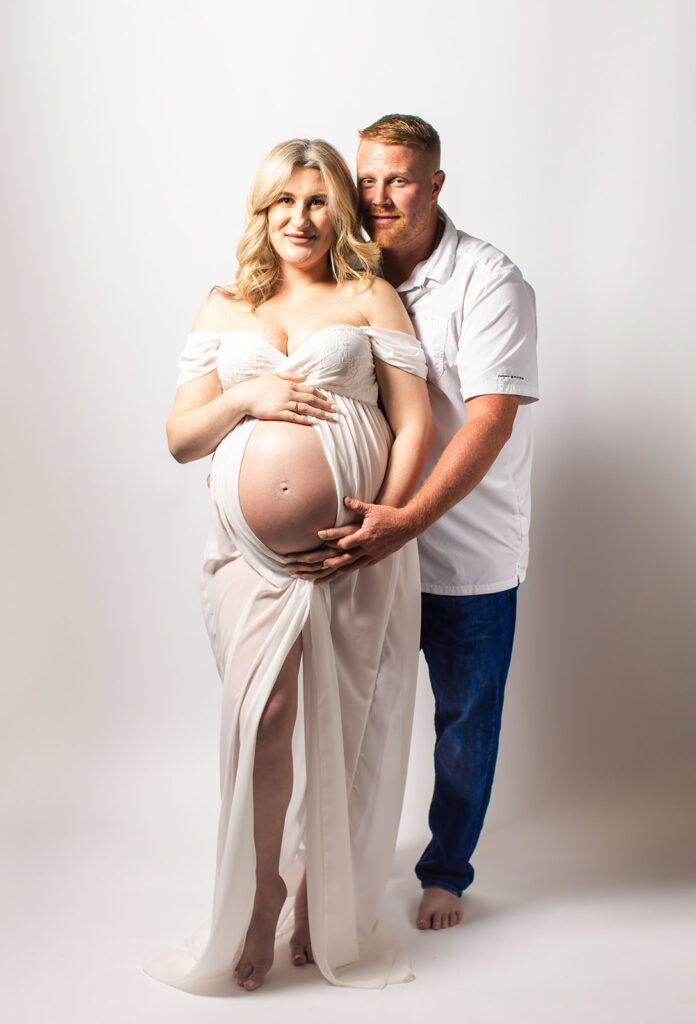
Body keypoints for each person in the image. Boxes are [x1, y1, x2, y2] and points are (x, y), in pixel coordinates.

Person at [143, 138, 433, 994]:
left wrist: (388, 520)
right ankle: (262, 881)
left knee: (344, 718)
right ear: (261, 212)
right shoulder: (225, 304)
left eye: (315, 202)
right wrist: (244, 399)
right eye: (283, 203)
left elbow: (412, 423)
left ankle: (320, 887)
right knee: (262, 714)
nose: (299, 219)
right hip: (250, 559)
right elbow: (179, 438)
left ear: (336, 210)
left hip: (350, 552)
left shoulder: (369, 294)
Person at [287, 115, 539, 931]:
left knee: (465, 719)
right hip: (365, 544)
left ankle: (445, 871)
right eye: (366, 178)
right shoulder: (345, 268)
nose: (378, 196)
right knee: (349, 711)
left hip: (466, 549)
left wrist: (411, 519)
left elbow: (488, 421)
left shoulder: (489, 281)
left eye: (398, 179)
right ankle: (327, 857)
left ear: (435, 185)